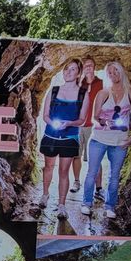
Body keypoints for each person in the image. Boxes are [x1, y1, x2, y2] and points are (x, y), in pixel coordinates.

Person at [82, 59, 131, 220]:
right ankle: (86, 203)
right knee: (92, 172)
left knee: (114, 176)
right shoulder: (103, 93)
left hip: (120, 141)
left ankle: (110, 206)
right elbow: (95, 117)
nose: (113, 74)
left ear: (121, 72)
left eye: (116, 71)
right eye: (110, 72)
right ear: (106, 75)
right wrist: (104, 121)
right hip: (99, 139)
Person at [39, 59, 92, 218]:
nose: (68, 72)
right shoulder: (53, 91)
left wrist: (69, 123)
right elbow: (45, 116)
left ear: (78, 73)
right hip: (51, 135)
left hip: (70, 137)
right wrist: (53, 124)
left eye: (73, 69)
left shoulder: (83, 94)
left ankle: (62, 205)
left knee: (64, 171)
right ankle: (45, 194)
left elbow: (82, 119)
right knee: (48, 167)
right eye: (66, 69)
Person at [73, 57, 105, 201]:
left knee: (96, 158)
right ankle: (76, 181)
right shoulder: (79, 84)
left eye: (90, 65)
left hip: (94, 126)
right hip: (79, 125)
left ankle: (99, 189)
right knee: (76, 154)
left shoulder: (101, 83)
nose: (88, 68)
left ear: (94, 67)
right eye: (85, 66)